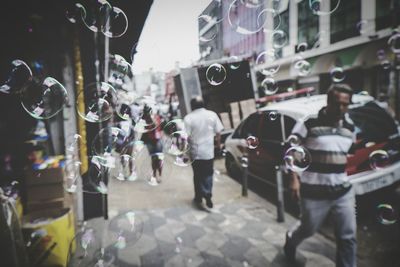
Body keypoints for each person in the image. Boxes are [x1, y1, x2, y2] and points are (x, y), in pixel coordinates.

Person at [284, 84, 357, 267]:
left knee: (347, 237)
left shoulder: (350, 127)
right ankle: (291, 240)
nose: (340, 108)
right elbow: (290, 149)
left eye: (345, 104)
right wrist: (294, 180)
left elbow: (345, 155)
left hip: (342, 191)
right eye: (336, 103)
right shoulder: (309, 122)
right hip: (314, 192)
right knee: (308, 229)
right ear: (328, 101)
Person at [184, 96, 224, 209]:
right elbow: (218, 132)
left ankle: (198, 197)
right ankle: (207, 192)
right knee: (208, 173)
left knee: (197, 174)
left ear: (192, 106)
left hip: (195, 152)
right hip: (208, 152)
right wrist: (218, 144)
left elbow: (186, 137)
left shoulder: (188, 118)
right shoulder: (212, 114)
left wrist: (185, 153)